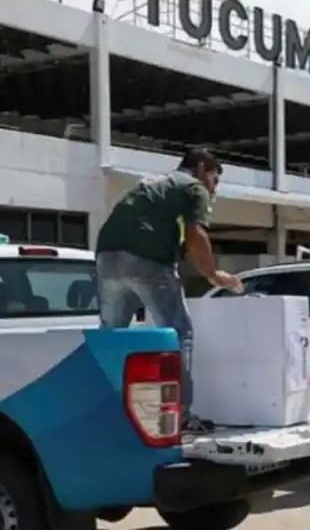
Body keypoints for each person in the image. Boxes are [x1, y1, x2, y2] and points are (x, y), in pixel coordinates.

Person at [95, 147, 243, 433]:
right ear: (201, 168)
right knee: (179, 334)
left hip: (107, 255)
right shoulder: (193, 187)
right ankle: (182, 416)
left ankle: (106, 408)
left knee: (111, 336)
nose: (214, 188)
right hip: (147, 259)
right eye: (215, 179)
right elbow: (196, 235)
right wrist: (213, 275)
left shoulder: (154, 182)